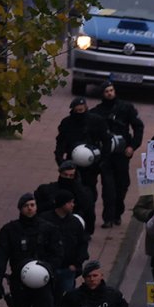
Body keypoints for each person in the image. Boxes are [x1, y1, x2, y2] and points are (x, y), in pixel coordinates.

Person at [91, 81, 145, 227]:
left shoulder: (125, 108)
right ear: (102, 94)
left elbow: (138, 126)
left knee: (122, 184)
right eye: (106, 91)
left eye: (111, 90)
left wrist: (132, 146)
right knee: (108, 187)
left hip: (122, 153)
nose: (109, 93)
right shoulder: (96, 112)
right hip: (106, 155)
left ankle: (117, 214)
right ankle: (108, 218)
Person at [54, 96, 111, 231]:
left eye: (82, 110)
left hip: (91, 165)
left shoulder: (96, 121)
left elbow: (106, 140)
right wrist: (60, 161)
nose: (80, 112)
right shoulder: (67, 123)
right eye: (77, 110)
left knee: (88, 195)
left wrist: (103, 159)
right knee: (68, 192)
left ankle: (88, 227)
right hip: (71, 164)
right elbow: (60, 143)